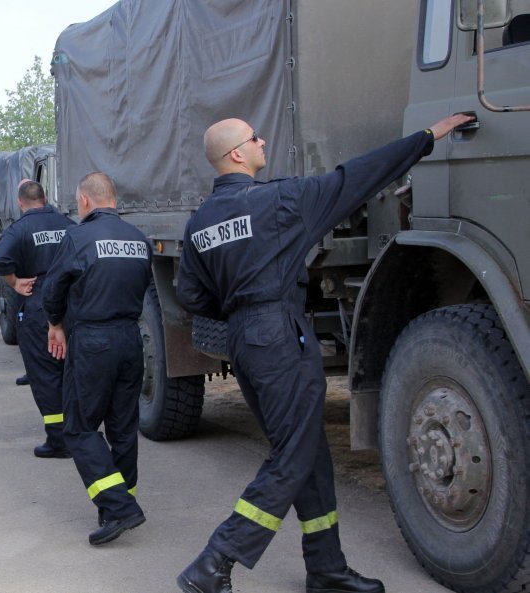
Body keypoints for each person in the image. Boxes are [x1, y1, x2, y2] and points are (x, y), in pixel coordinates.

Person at [173, 113, 473, 593]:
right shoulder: (278, 202)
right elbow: (354, 178)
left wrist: (240, 309)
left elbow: (191, 296)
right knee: (293, 454)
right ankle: (214, 561)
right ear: (236, 154)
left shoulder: (201, 223)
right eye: (255, 138)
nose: (262, 141)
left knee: (309, 452)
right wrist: (425, 138)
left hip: (245, 339)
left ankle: (326, 567)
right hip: (278, 333)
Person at [43, 172, 153, 546]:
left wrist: (55, 322)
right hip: (130, 338)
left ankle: (119, 507)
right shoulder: (138, 239)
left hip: (93, 341)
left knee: (78, 427)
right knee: (122, 427)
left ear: (85, 201)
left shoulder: (77, 237)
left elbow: (53, 288)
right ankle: (119, 506)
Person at [0, 179, 75, 458]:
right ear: (45, 197)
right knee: (70, 370)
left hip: (38, 302)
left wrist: (15, 282)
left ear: (20, 202)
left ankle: (58, 440)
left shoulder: (19, 229)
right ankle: (78, 432)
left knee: (44, 374)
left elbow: (0, 258)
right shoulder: (68, 224)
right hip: (70, 304)